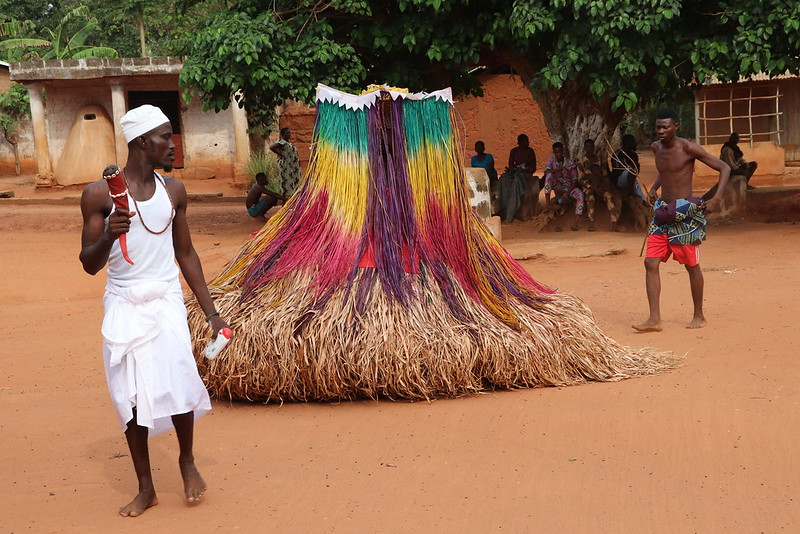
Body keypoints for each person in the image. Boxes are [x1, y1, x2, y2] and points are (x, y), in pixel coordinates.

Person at [79, 104, 230, 517]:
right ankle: (146, 488)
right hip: (123, 300)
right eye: (165, 136)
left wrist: (211, 312)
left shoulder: (174, 191)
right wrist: (109, 236)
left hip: (165, 299)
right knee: (128, 395)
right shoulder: (98, 195)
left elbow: (186, 252)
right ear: (143, 142)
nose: (172, 143)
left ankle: (186, 460)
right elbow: (89, 263)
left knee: (178, 377)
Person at [633, 107, 730, 332]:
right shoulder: (656, 147)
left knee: (691, 265)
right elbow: (665, 170)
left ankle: (699, 315)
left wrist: (716, 198)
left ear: (676, 126)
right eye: (658, 127)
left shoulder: (688, 148)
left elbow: (724, 168)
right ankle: (654, 319)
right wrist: (654, 189)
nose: (661, 131)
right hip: (662, 212)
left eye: (665, 126)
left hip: (685, 214)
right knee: (650, 262)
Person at [577, 138, 621, 232]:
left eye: (592, 146)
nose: (590, 148)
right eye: (588, 146)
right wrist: (590, 187)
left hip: (600, 185)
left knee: (609, 196)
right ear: (585, 148)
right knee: (590, 198)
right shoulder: (581, 161)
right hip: (588, 187)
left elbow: (604, 175)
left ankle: (614, 223)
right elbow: (581, 179)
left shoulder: (598, 159)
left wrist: (603, 185)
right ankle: (591, 223)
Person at [543, 141, 583, 231]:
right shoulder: (551, 161)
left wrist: (566, 194)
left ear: (563, 152)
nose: (558, 154)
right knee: (549, 176)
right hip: (558, 188)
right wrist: (559, 169)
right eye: (556, 152)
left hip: (568, 189)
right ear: (554, 153)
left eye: (560, 152)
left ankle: (576, 223)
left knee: (580, 195)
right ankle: (547, 204)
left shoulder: (570, 163)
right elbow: (546, 172)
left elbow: (575, 181)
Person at [498, 134, 537, 223]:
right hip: (514, 173)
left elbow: (533, 168)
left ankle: (510, 214)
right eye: (526, 141)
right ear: (520, 142)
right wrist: (512, 169)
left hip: (525, 174)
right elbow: (510, 165)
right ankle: (504, 209)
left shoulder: (530, 151)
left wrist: (526, 169)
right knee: (503, 179)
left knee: (517, 181)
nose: (528, 142)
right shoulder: (514, 151)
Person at [611, 134, 646, 201]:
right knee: (632, 170)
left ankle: (643, 201)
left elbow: (636, 171)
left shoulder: (634, 155)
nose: (635, 143)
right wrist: (628, 168)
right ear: (628, 142)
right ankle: (631, 192)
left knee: (642, 198)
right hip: (619, 179)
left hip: (631, 180)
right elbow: (616, 172)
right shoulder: (618, 154)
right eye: (633, 141)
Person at [270, 127, 301, 197]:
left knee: (293, 184)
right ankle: (284, 205)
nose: (289, 134)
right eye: (287, 133)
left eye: (290, 132)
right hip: (286, 166)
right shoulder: (282, 142)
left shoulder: (289, 143)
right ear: (283, 134)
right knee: (286, 184)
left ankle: (291, 205)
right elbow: (272, 147)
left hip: (292, 167)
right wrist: (280, 153)